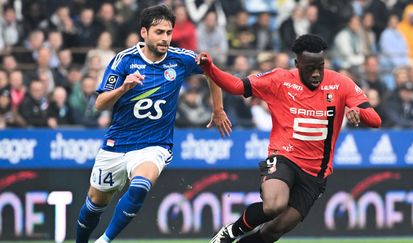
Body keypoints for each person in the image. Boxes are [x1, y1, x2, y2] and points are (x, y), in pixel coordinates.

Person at [196, 34, 382, 243]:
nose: (316, 74)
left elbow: (375, 120)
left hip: (316, 173)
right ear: (297, 63)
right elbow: (237, 86)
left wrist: (358, 110)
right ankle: (230, 232)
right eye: (310, 67)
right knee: (274, 205)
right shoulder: (279, 80)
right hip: (284, 156)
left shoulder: (340, 84)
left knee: (273, 231)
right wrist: (210, 67)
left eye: (320, 67)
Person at [75, 5, 231, 243]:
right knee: (96, 203)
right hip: (117, 143)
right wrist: (123, 88)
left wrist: (218, 109)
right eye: (159, 32)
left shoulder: (180, 59)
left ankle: (104, 240)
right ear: (144, 33)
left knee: (139, 186)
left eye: (169, 32)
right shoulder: (124, 61)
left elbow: (212, 71)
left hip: (154, 144)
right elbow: (100, 104)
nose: (165, 38)